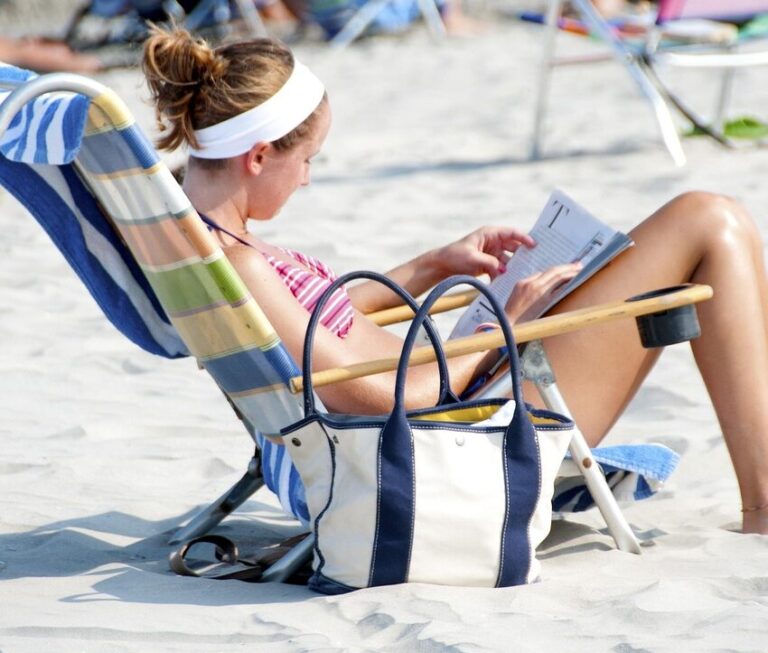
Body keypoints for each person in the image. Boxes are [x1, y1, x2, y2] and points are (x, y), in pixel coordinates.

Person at [142, 26, 768, 535]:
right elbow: (373, 397)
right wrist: (504, 329)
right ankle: (765, 506)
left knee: (684, 228)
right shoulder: (245, 264)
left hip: (455, 398)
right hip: (457, 436)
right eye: (306, 161)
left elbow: (318, 324)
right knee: (710, 221)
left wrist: (438, 263)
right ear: (257, 156)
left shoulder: (214, 248)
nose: (306, 178)